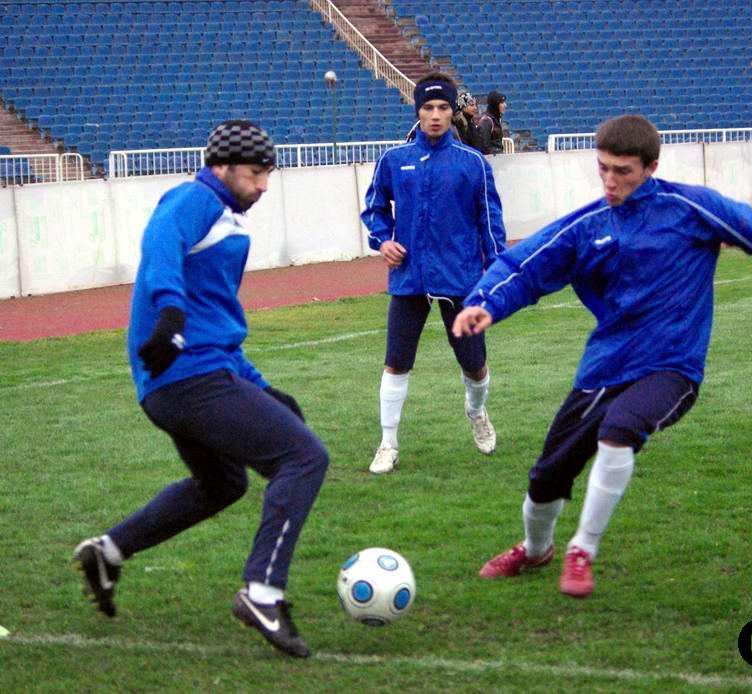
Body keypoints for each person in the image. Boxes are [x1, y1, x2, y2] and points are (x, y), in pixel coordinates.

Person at [452, 115, 752, 599]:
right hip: (606, 365)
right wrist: (485, 303)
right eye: (603, 168)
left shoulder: (691, 209)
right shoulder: (588, 225)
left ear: (651, 167)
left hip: (673, 366)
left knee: (619, 432)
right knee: (547, 476)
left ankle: (582, 549)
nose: (610, 181)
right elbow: (526, 264)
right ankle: (536, 550)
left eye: (623, 171)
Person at [72, 120, 329, 658]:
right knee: (304, 456)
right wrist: (169, 312)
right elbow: (161, 240)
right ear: (221, 167)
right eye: (255, 173)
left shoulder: (230, 222)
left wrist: (261, 387)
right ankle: (262, 594)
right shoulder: (195, 198)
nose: (263, 185)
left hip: (193, 376)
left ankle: (109, 552)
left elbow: (217, 323)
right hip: (185, 375)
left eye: (268, 175)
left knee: (222, 483)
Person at [362, 72, 507, 475]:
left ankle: (476, 412)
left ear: (451, 111)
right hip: (409, 278)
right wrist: (382, 241)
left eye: (443, 107)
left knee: (475, 365)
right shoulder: (394, 161)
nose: (436, 115)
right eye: (428, 107)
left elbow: (490, 221)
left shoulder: (473, 164)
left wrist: (495, 271)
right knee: (396, 362)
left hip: (460, 278)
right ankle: (388, 442)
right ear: (418, 112)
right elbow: (374, 209)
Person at [477, 90, 507, 155]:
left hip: (498, 157)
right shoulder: (487, 121)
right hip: (493, 159)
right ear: (495, 104)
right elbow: (484, 146)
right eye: (502, 103)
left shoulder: (495, 119)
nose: (505, 105)